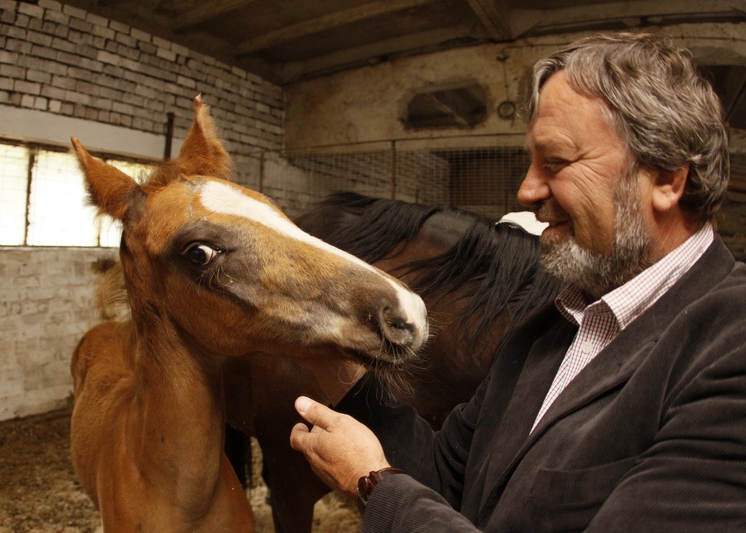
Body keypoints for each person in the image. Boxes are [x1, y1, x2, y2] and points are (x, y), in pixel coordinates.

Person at [289, 32, 746, 532]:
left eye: (557, 162)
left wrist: (376, 484)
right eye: (532, 162)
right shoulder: (552, 326)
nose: (527, 190)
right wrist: (339, 365)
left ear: (665, 179)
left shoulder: (730, 346)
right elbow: (446, 478)